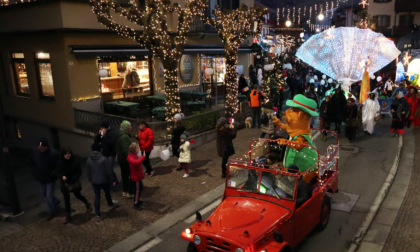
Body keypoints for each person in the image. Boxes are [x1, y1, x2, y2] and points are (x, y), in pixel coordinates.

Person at [57, 148, 92, 224]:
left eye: (69, 153)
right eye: (66, 154)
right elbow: (58, 172)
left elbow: (79, 172)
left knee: (78, 195)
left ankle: (87, 203)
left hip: (73, 182)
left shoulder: (75, 161)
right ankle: (68, 215)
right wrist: (62, 176)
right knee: (66, 200)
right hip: (65, 184)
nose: (67, 155)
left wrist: (74, 178)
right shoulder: (60, 163)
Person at [86, 142, 119, 221]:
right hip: (104, 180)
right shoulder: (103, 159)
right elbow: (108, 171)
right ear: (100, 149)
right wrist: (112, 179)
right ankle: (110, 204)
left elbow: (88, 172)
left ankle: (98, 214)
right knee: (107, 193)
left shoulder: (89, 160)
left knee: (97, 197)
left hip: (94, 181)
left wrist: (91, 180)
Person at [29, 138, 60, 220]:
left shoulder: (53, 154)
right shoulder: (35, 153)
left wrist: (53, 174)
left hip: (50, 179)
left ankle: (51, 211)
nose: (40, 148)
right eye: (40, 147)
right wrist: (34, 172)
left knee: (49, 195)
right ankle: (55, 201)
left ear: (46, 147)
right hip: (40, 178)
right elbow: (31, 163)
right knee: (44, 194)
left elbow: (58, 165)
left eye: (42, 147)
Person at [95, 121, 118, 190]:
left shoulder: (112, 132)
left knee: (109, 170)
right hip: (104, 153)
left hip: (111, 154)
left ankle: (114, 182)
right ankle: (112, 181)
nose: (101, 129)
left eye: (102, 127)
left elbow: (111, 143)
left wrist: (104, 136)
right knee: (106, 169)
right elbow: (97, 141)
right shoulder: (102, 133)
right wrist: (99, 135)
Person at [116, 120, 134, 198]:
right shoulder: (124, 137)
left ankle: (125, 190)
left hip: (120, 158)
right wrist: (131, 158)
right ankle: (129, 191)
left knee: (124, 175)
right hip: (126, 160)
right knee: (130, 175)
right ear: (126, 128)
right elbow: (125, 150)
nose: (131, 128)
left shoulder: (119, 135)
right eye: (130, 127)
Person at [127, 143, 146, 210]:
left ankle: (137, 200)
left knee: (140, 188)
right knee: (137, 190)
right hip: (136, 177)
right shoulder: (131, 157)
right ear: (134, 150)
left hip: (137, 176)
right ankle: (135, 203)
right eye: (137, 148)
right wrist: (143, 156)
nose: (138, 149)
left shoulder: (134, 156)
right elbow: (136, 162)